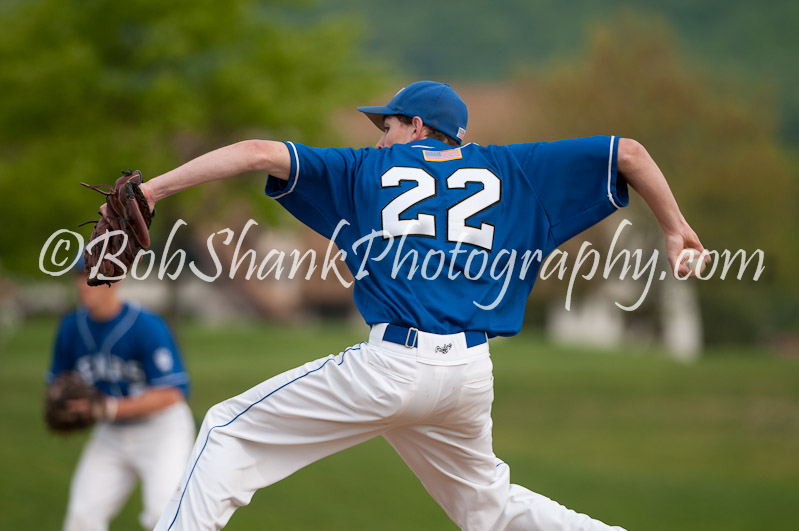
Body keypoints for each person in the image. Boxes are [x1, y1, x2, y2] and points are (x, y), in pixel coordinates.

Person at [135, 80, 705, 530]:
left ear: (417, 125)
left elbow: (258, 151)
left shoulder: (365, 169)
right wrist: (675, 228)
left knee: (226, 429)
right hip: (467, 376)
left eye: (388, 125)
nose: (380, 137)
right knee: (489, 511)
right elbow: (627, 152)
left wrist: (152, 190)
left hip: (391, 367)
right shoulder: (513, 169)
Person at [47, 256, 195, 531]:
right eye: (80, 276)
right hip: (111, 435)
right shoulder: (71, 327)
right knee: (81, 519)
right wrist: (60, 401)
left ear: (116, 280)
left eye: (93, 276)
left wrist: (109, 408)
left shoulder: (146, 326)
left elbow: (172, 393)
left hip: (162, 432)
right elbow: (57, 381)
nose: (85, 284)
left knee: (162, 517)